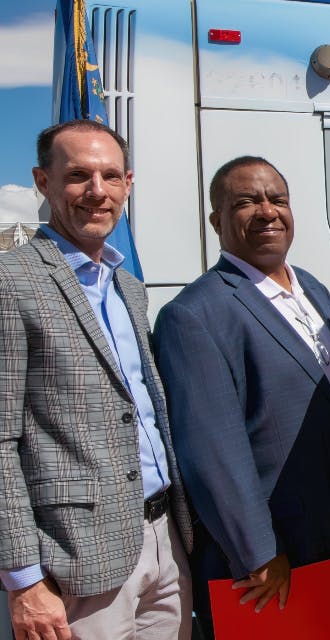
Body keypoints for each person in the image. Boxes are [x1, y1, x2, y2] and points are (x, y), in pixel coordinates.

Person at [152, 156, 330, 636]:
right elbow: (210, 449)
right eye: (246, 201)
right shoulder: (193, 314)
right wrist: (257, 551)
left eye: (277, 199)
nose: (267, 211)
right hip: (273, 560)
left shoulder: (310, 287)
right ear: (217, 221)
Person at [0, 119, 192, 639]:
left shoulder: (127, 286)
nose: (97, 192)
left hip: (164, 539)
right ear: (43, 182)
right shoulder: (10, 281)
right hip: (73, 563)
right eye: (78, 176)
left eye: (110, 176)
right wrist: (23, 583)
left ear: (128, 182)